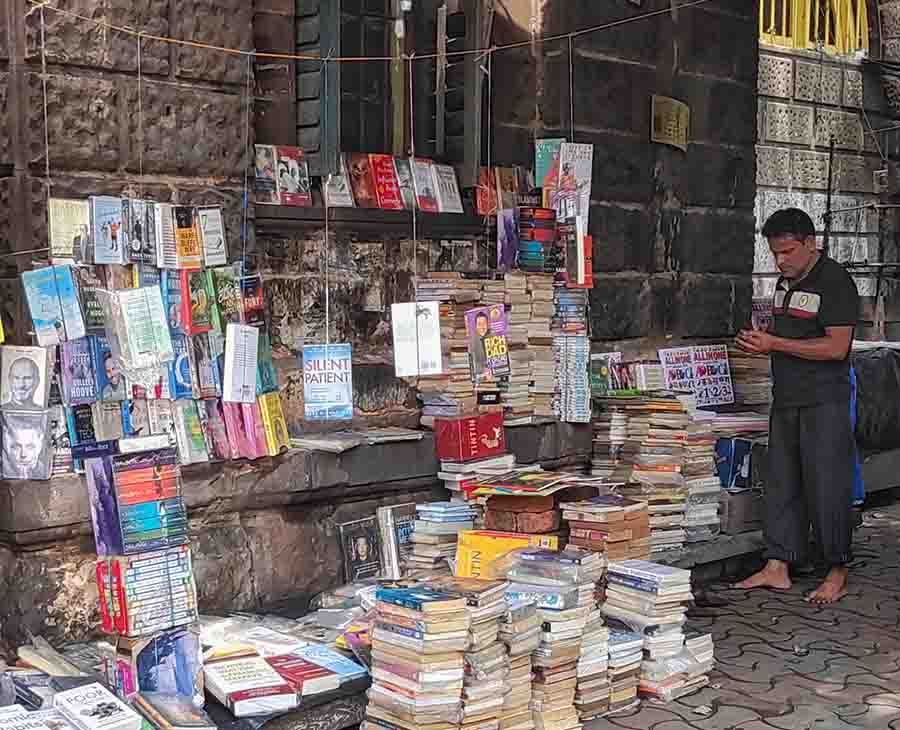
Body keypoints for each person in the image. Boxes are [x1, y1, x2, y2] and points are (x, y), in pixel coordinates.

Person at [735, 208, 859, 604]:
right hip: (786, 396)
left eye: (787, 251)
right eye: (774, 253)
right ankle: (778, 565)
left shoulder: (836, 282)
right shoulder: (784, 282)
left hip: (824, 400)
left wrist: (777, 345)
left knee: (826, 485)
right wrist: (763, 339)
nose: (780, 261)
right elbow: (794, 331)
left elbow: (837, 346)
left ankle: (836, 570)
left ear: (810, 244)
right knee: (783, 482)